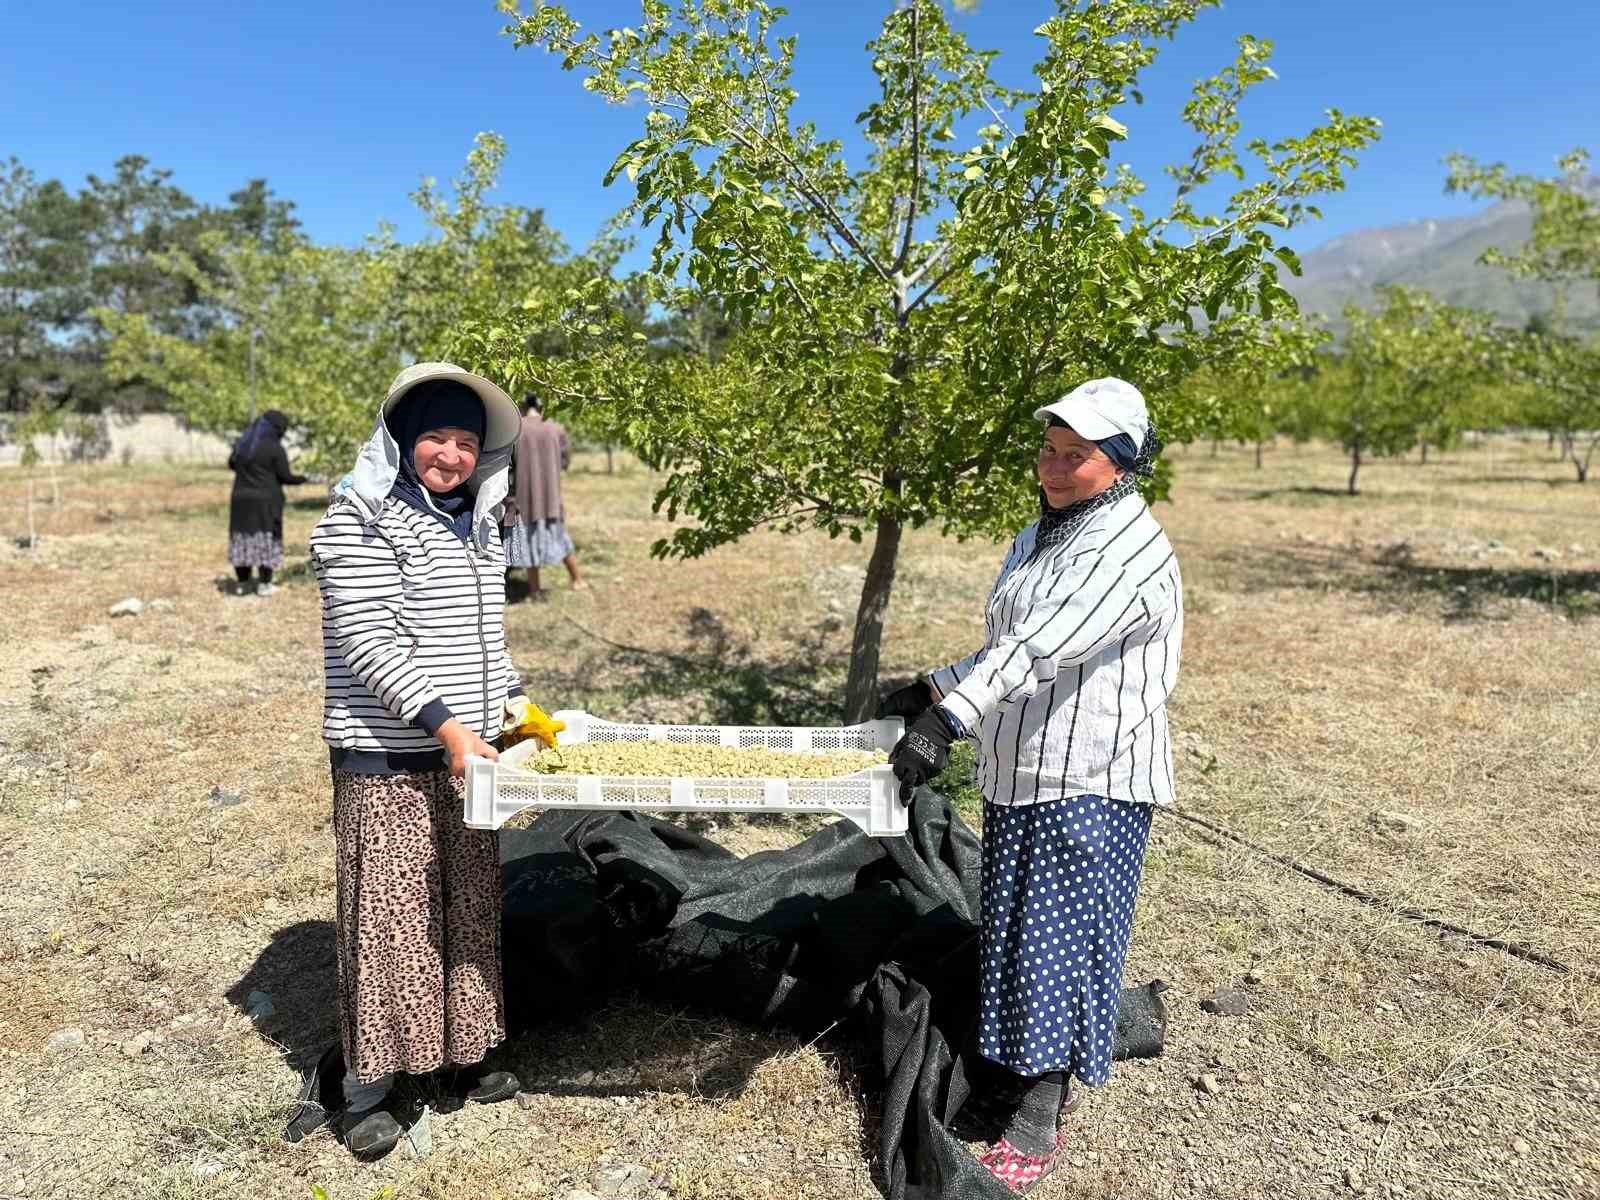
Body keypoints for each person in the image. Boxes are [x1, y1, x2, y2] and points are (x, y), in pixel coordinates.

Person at [881, 377, 1183, 1195]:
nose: (1052, 467)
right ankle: (1019, 1067)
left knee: (1061, 943)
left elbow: (1042, 647)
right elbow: (1007, 642)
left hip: (1088, 776)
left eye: (1074, 456)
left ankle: (1036, 1117)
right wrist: (931, 688)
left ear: (1118, 464)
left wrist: (947, 723)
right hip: (1023, 767)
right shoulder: (1045, 532)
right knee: (1016, 932)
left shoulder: (1124, 549)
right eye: (1047, 451)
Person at [308, 362, 544, 1161]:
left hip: (467, 751)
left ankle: (464, 1056)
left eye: (467, 441)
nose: (451, 454)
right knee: (391, 919)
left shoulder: (478, 525)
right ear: (403, 442)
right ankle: (368, 1088)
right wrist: (446, 727)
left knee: (468, 908)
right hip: (392, 753)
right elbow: (370, 641)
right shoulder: (358, 521)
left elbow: (486, 641)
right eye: (436, 437)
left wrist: (516, 709)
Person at [502, 393, 583, 600]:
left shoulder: (515, 429)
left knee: (528, 544)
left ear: (522, 405)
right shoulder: (556, 428)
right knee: (561, 538)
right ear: (541, 406)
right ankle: (578, 580)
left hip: (525, 500)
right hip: (551, 499)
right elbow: (565, 462)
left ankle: (535, 590)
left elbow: (506, 467)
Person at [226, 409, 306, 595]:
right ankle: (264, 584)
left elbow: (232, 464)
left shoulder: (243, 445)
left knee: (243, 538)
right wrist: (304, 478)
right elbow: (285, 477)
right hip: (266, 502)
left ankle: (243, 584)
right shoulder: (275, 448)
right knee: (266, 539)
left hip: (241, 500)